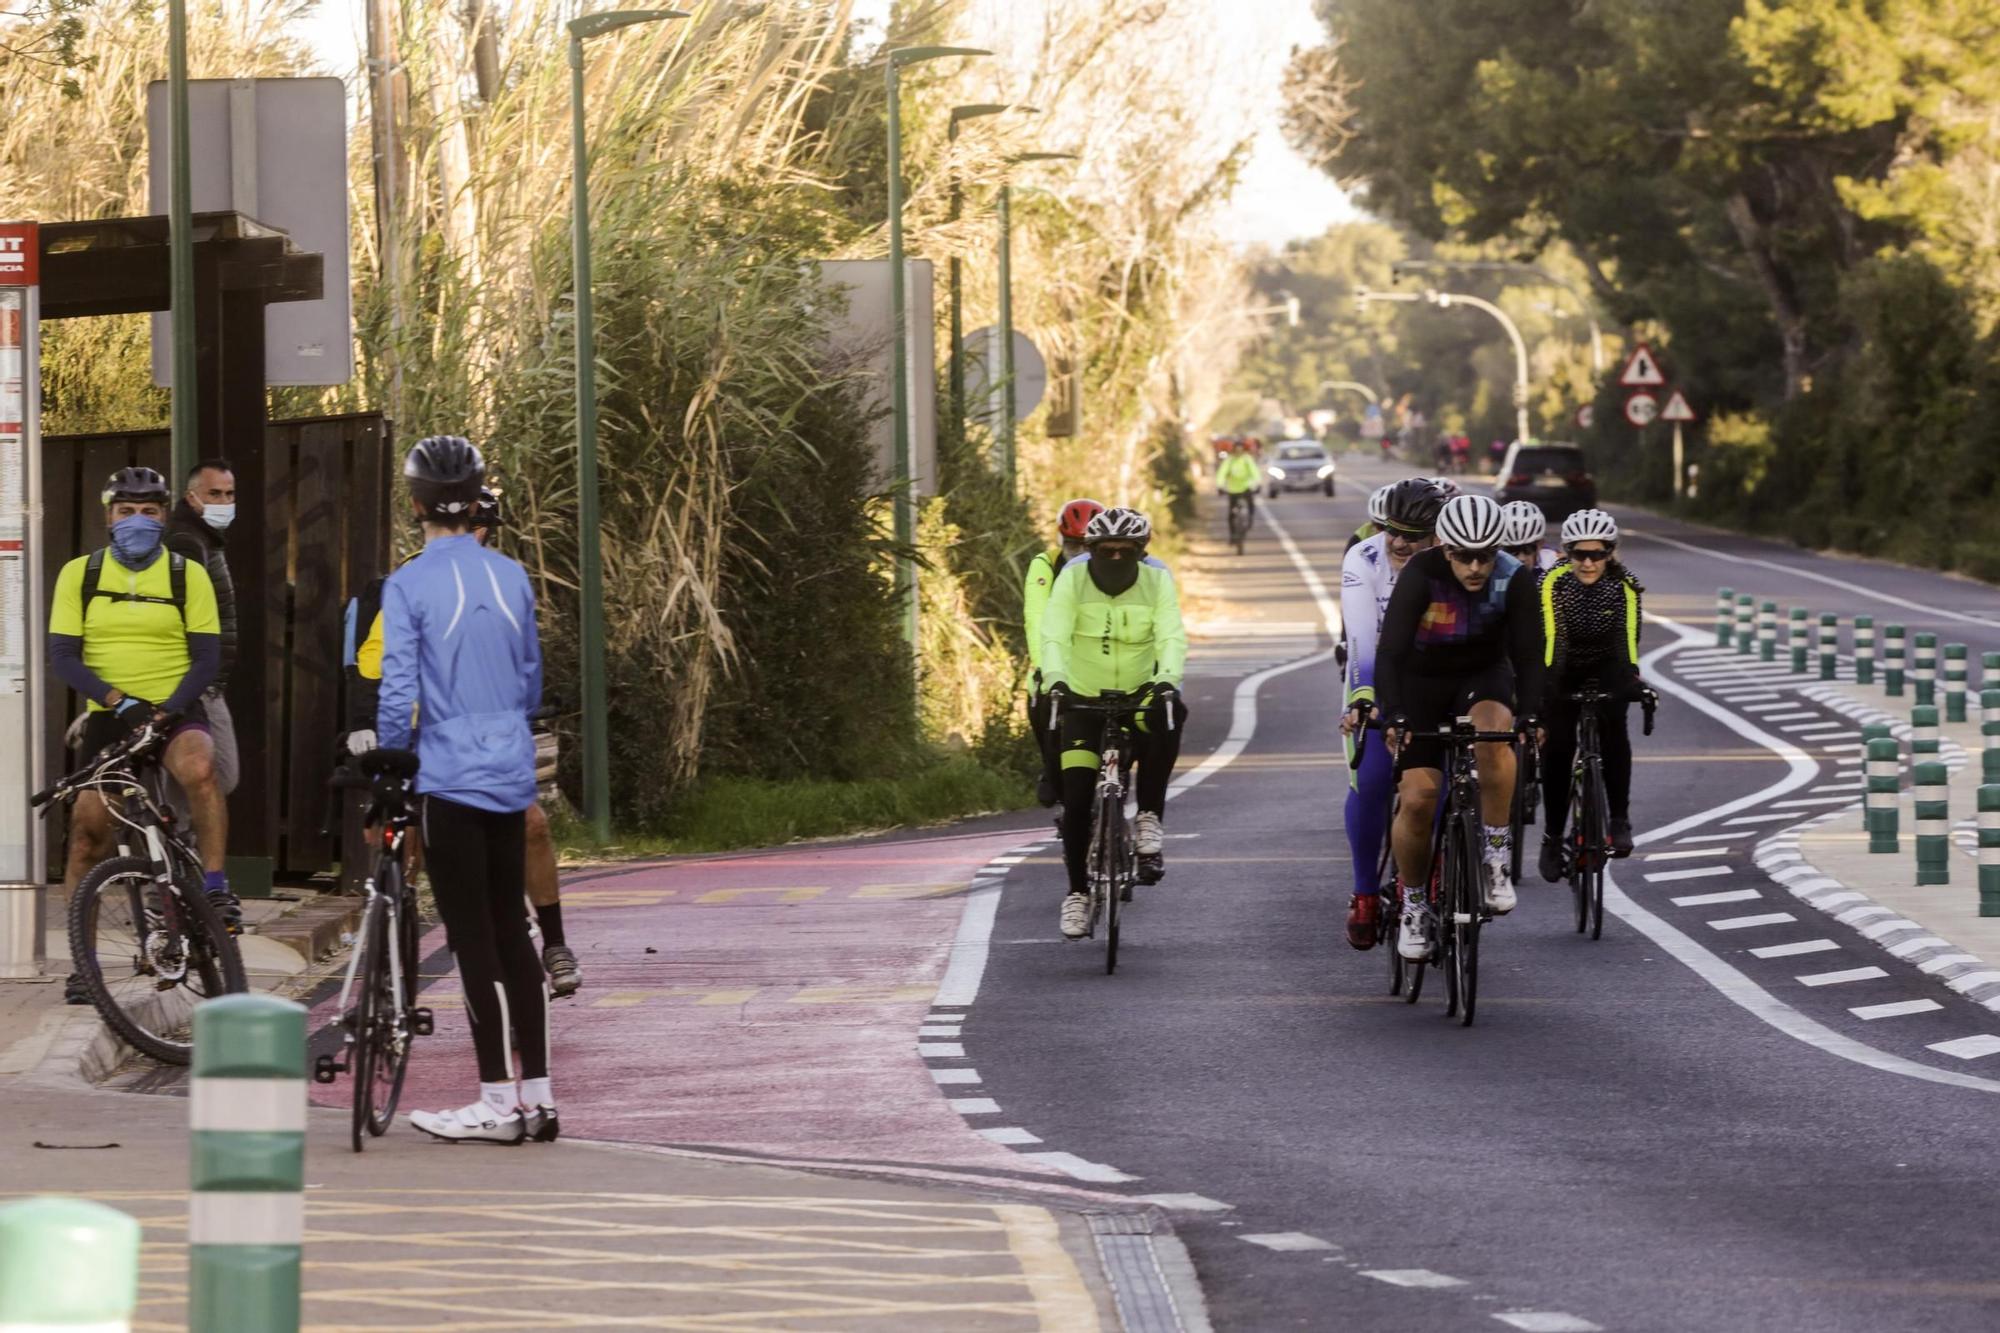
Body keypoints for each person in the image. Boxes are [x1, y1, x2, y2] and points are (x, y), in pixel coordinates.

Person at [377, 436, 555, 1144]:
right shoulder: (512, 575)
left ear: (415, 503)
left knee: (470, 936)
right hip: (510, 768)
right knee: (513, 929)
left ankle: (491, 1098)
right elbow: (531, 676)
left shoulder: (409, 582)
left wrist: (393, 757)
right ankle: (538, 1096)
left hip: (448, 773)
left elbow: (397, 688)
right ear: (477, 495)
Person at [346, 488, 582, 999]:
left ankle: (555, 943)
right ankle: (392, 958)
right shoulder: (399, 585)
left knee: (532, 825)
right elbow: (368, 665)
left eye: (478, 528)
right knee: (405, 840)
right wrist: (365, 723)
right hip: (410, 732)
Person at [48, 467, 234, 1000]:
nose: (137, 522)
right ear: (109, 516)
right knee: (87, 833)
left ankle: (217, 887)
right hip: (111, 711)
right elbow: (64, 656)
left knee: (200, 768)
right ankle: (84, 965)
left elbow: (206, 658)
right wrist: (119, 702)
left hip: (173, 706)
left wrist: (164, 712)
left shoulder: (185, 573)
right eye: (126, 511)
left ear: (163, 516)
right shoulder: (79, 575)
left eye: (149, 512)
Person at [1375, 493, 1544, 961]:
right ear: (1444, 548)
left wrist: (1532, 713)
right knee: (1418, 799)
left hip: (1482, 675)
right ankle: (1413, 903)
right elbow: (1388, 653)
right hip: (1421, 682)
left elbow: (1530, 654)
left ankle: (1495, 857)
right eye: (1463, 556)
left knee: (1495, 735)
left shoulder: (1513, 576)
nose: (1474, 567)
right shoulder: (1421, 574)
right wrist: (1395, 714)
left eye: (1485, 556)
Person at [1039, 507, 1188, 940]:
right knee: (1079, 797)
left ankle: (1148, 816)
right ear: (1091, 551)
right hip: (1082, 696)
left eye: (1127, 551)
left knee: (1169, 716)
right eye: (1108, 551)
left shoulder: (1157, 580)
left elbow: (1171, 635)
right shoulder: (1073, 579)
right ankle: (1078, 894)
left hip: (1139, 695)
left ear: (1143, 552)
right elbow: (1054, 634)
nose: (1117, 558)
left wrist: (1165, 683)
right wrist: (1057, 681)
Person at [1339, 478, 1445, 949]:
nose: (1399, 542)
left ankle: (1426, 872)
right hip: (1376, 678)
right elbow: (1360, 635)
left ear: (1437, 535)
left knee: (1440, 782)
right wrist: (1363, 698)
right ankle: (1364, 892)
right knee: (1376, 781)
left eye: (1413, 535)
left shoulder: (1452, 561)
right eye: (1391, 530)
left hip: (1437, 677)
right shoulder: (1364, 558)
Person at [1537, 509, 1649, 881]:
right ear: (1566, 553)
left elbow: (1626, 645)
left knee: (1615, 728)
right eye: (1579, 554)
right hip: (1563, 666)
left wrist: (1633, 684)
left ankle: (1618, 818)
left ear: (1610, 553)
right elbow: (1555, 641)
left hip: (1606, 664)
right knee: (1557, 747)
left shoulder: (1626, 587)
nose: (1588, 563)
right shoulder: (1553, 583)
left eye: (1597, 554)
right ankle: (1553, 837)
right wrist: (1549, 690)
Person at [165, 460, 241, 807]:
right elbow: (183, 609)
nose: (223, 502)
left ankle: (175, 852)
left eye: (229, 494)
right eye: (214, 494)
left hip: (206, 678)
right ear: (191, 497)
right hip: (197, 680)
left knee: (201, 778)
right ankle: (177, 851)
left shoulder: (204, 538)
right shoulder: (187, 540)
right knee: (219, 774)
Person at [1024, 498, 1104, 808]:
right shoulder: (1045, 565)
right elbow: (1036, 618)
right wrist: (1044, 666)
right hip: (1060, 656)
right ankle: (1050, 767)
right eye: (1073, 545)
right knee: (1038, 697)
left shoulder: (1118, 566)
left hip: (1103, 658)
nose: (1079, 554)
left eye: (1087, 546)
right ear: (1061, 540)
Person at [1498, 500, 1558, 575]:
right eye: (1512, 550)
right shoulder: (1490, 564)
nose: (1521, 559)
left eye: (1528, 549)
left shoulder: (1555, 563)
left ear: (1540, 544)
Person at [1216, 445, 1262, 532]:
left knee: (1251, 504)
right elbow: (1222, 473)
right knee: (1231, 512)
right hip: (1233, 489)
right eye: (1236, 451)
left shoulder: (1247, 459)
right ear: (1233, 451)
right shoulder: (1229, 460)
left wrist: (1258, 483)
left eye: (1240, 451)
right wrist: (1220, 486)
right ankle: (1232, 534)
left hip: (1246, 487)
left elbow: (1254, 471)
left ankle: (1250, 518)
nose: (1238, 453)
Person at [1345, 482, 1394, 554]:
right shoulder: (1360, 537)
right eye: (1381, 527)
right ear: (1372, 524)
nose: (1385, 533)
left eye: (1393, 530)